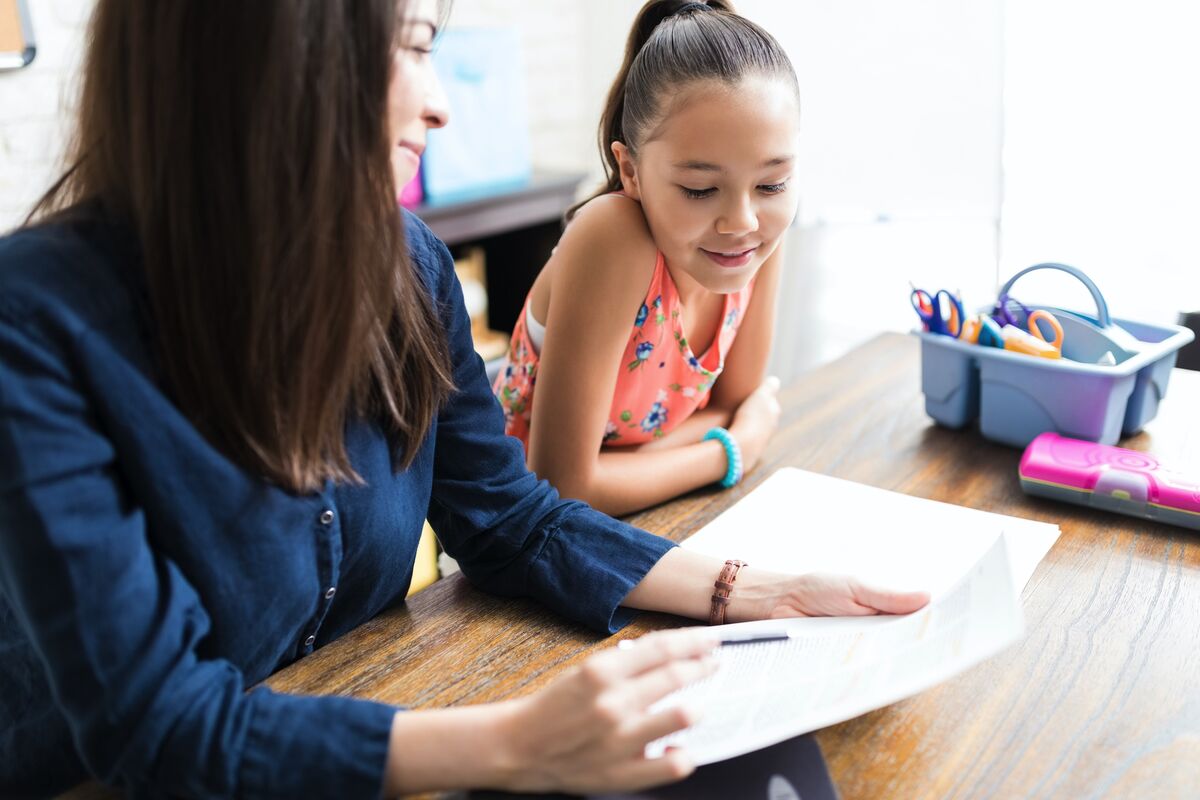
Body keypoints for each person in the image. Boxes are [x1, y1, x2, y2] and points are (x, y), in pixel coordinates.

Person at [0, 1, 928, 797]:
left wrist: (760, 591)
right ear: (270, 55)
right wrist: (517, 743)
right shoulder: (37, 322)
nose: (441, 104)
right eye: (411, 44)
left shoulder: (407, 266)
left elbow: (512, 519)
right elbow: (155, 729)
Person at [493, 0, 796, 516]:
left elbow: (732, 406)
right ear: (629, 170)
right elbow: (562, 486)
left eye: (772, 183)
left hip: (645, 521)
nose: (742, 221)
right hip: (515, 549)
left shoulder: (758, 241)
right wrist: (731, 451)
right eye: (700, 189)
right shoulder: (613, 237)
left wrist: (719, 434)